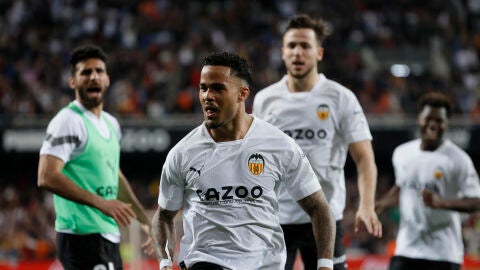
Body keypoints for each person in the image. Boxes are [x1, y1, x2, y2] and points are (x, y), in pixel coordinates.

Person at [151, 51, 335, 270]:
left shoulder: (279, 145)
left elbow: (319, 207)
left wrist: (325, 264)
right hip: (206, 261)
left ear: (242, 94)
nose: (207, 96)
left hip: (266, 264)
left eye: (218, 88)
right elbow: (164, 216)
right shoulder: (182, 153)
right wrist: (164, 263)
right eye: (203, 87)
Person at [252, 14, 382, 270]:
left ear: (319, 53)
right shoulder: (265, 100)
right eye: (291, 46)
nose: (297, 52)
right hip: (276, 218)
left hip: (325, 217)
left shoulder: (341, 98)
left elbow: (364, 157)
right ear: (282, 52)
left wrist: (366, 206)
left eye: (305, 46)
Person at [37, 44, 154, 269]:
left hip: (107, 236)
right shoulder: (68, 121)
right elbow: (46, 176)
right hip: (81, 236)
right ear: (73, 81)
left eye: (99, 71)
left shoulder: (112, 124)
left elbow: (114, 175)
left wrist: (143, 219)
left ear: (107, 79)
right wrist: (101, 203)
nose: (93, 77)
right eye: (85, 72)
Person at [375, 92, 480, 270]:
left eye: (439, 120)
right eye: (428, 118)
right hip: (407, 249)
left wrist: (442, 203)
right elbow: (403, 188)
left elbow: (476, 201)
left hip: (443, 253)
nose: (432, 124)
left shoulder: (459, 160)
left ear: (447, 124)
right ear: (419, 119)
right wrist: (380, 204)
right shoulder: (402, 153)